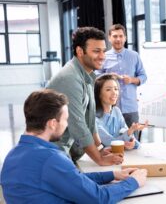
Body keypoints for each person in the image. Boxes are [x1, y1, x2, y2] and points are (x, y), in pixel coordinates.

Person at [0, 90, 147, 203]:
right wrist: (133, 182)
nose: (67, 124)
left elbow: (72, 179)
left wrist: (113, 175)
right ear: (52, 123)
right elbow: (99, 198)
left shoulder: (14, 154)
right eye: (65, 119)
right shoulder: (50, 159)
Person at [47, 27, 121, 166]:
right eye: (96, 51)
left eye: (103, 51)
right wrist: (99, 159)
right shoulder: (70, 78)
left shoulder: (87, 75)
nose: (102, 56)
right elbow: (78, 124)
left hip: (67, 153)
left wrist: (100, 149)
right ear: (80, 51)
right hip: (54, 154)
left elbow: (90, 120)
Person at [96, 24, 147, 139]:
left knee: (132, 141)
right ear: (109, 38)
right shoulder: (103, 57)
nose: (118, 39)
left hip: (130, 108)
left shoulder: (134, 56)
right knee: (112, 141)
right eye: (114, 36)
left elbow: (143, 76)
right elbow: (95, 77)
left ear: (125, 38)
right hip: (109, 109)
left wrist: (132, 79)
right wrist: (108, 75)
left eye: (120, 36)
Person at [94, 73, 147, 149]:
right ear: (98, 93)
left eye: (116, 89)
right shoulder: (94, 118)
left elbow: (124, 131)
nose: (114, 93)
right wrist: (130, 131)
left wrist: (132, 142)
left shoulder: (116, 111)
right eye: (108, 89)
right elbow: (110, 142)